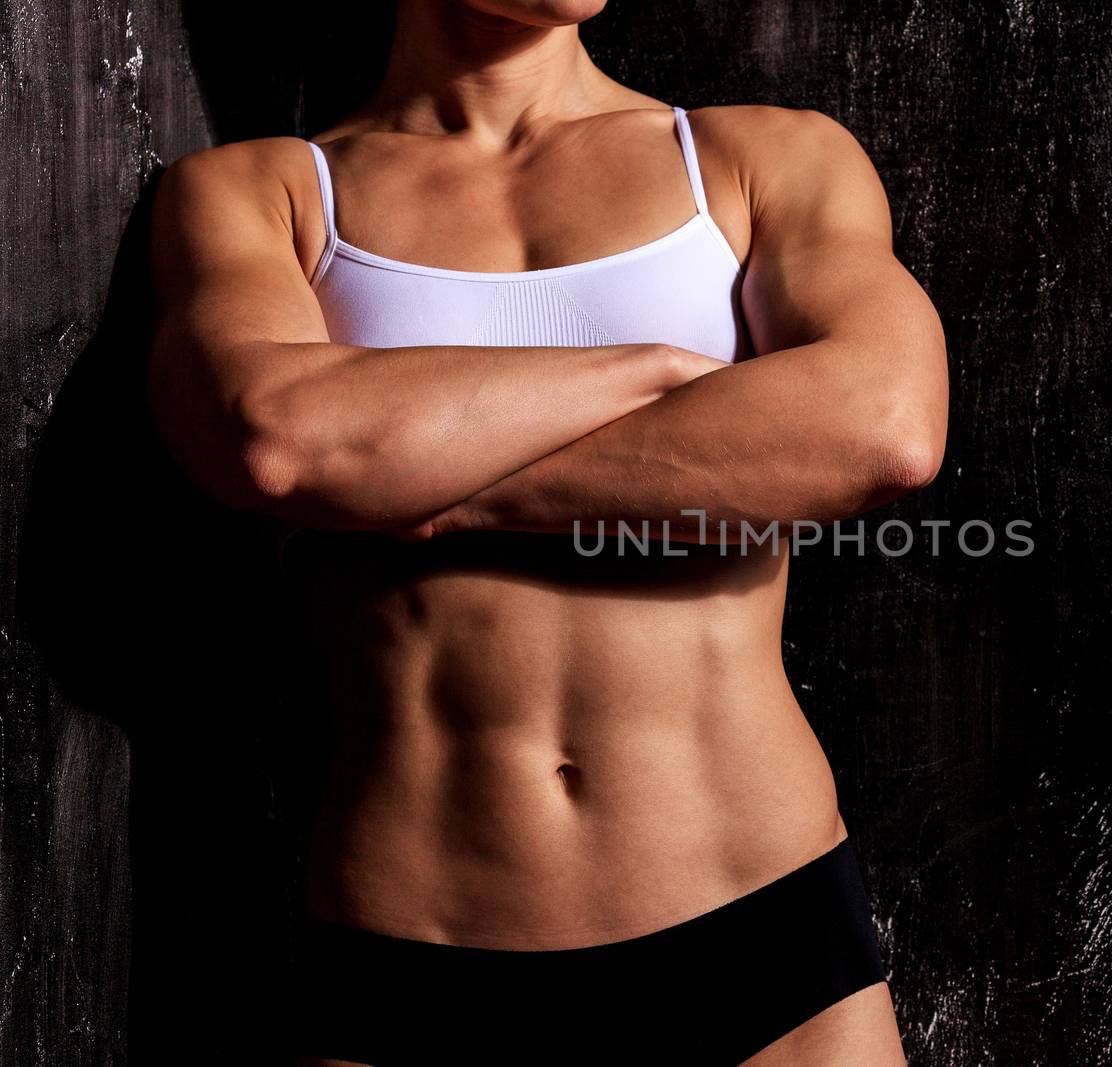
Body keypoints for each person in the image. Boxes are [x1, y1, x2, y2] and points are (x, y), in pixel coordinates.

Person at [145, 1, 947, 1062]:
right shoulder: (264, 191)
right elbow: (278, 442)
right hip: (409, 951)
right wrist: (654, 371)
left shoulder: (758, 158)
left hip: (759, 926)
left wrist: (437, 485)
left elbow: (881, 426)